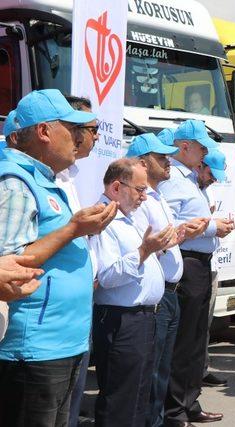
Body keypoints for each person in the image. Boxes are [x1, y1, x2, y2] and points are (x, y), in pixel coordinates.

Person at [0, 89, 117, 426]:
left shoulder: (41, 179)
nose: (79, 138)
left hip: (59, 343)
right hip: (34, 348)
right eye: (72, 127)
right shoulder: (15, 181)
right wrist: (73, 230)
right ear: (44, 132)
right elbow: (10, 266)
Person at [126, 133, 208, 426]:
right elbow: (143, 244)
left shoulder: (156, 195)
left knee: (161, 368)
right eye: (161, 158)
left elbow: (166, 238)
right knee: (151, 372)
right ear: (142, 163)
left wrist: (184, 232)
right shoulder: (139, 201)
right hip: (155, 297)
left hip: (169, 291)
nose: (167, 161)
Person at [91, 158, 176, 426]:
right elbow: (107, 276)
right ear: (117, 187)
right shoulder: (102, 219)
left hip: (143, 318)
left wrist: (156, 248)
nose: (144, 196)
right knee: (121, 400)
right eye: (140, 190)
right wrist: (143, 252)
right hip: (122, 320)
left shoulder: (127, 218)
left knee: (139, 396)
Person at [158, 120, 234, 424]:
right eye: (201, 147)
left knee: (195, 342)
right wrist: (213, 227)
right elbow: (170, 227)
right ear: (184, 146)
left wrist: (211, 227)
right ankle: (175, 410)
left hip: (199, 264)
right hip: (187, 262)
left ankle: (189, 402)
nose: (204, 154)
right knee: (184, 343)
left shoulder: (187, 178)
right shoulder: (173, 179)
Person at [57, 96, 101, 427]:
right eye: (87, 129)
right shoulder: (23, 179)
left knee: (70, 400)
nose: (92, 136)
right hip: (49, 320)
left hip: (78, 307)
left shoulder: (72, 176)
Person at [199, 149, 232, 388]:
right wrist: (212, 226)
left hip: (208, 262)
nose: (214, 179)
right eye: (212, 173)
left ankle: (201, 370)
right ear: (200, 166)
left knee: (203, 326)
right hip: (189, 267)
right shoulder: (180, 186)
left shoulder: (202, 190)